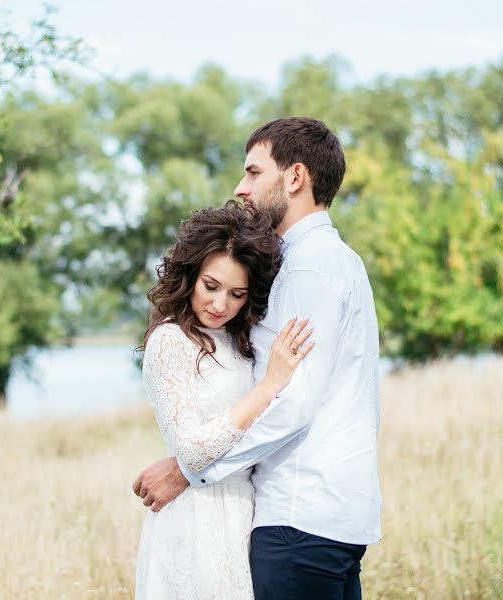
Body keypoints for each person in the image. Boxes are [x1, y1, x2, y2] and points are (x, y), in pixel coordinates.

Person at [133, 117, 382, 599]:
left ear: (294, 178)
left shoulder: (307, 267)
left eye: (252, 171)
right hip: (332, 513)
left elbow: (294, 403)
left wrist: (189, 470)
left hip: (298, 514)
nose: (240, 188)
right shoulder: (340, 259)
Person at [134, 201, 315, 599]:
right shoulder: (170, 341)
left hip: (240, 512)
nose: (220, 306)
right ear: (190, 275)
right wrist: (267, 387)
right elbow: (192, 451)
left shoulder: (237, 339)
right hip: (193, 519)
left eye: (237, 294)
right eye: (211, 287)